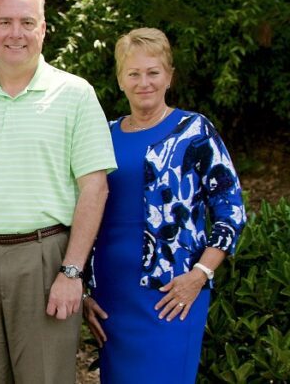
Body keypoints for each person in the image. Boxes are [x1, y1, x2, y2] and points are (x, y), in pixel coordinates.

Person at [0, 0, 117, 383]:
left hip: (46, 259)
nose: (15, 33)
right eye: (4, 22)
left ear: (43, 29)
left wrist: (72, 273)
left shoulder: (75, 94)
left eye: (26, 22)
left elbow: (95, 188)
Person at [82, 27, 246, 383]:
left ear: (169, 77)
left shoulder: (194, 131)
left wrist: (200, 275)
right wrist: (83, 288)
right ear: (120, 80)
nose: (145, 82)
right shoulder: (101, 135)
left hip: (173, 294)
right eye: (134, 73)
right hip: (111, 295)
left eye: (153, 72)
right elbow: (80, 212)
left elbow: (231, 209)